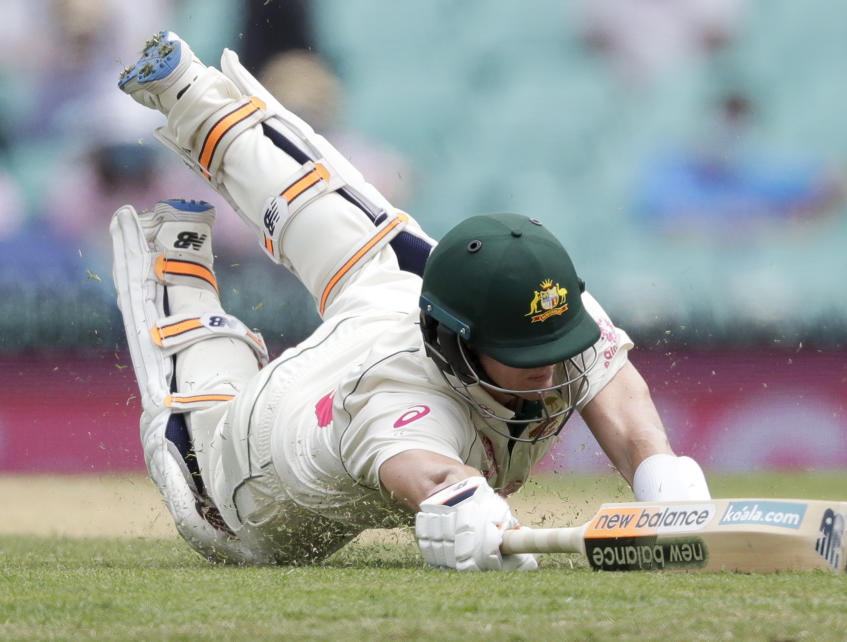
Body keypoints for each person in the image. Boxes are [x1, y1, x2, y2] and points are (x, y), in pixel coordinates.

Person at [112, 31, 710, 570]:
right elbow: (420, 468)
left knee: (325, 206)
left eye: (556, 342)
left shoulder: (544, 305)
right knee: (214, 497)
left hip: (390, 299)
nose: (552, 364)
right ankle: (177, 274)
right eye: (525, 352)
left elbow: (612, 380)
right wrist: (459, 497)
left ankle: (187, 90)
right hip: (264, 457)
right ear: (458, 341)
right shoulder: (398, 398)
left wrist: (660, 472)